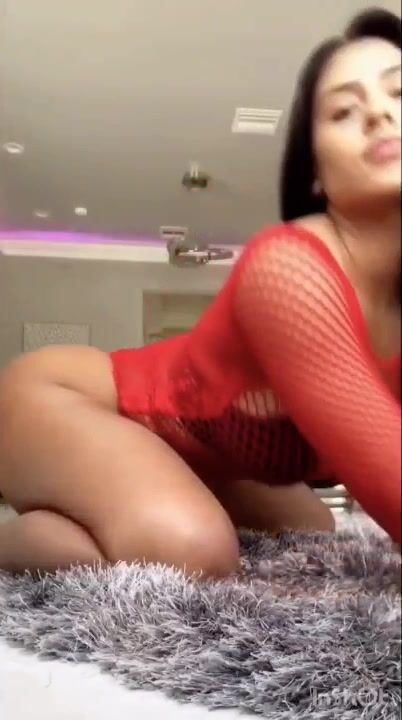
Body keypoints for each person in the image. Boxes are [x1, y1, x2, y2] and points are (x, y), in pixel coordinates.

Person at [0, 8, 400, 575]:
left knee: (313, 529)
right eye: (344, 110)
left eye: (399, 93)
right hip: (62, 397)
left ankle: (124, 505)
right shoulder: (290, 267)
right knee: (194, 553)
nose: (380, 114)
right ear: (315, 169)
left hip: (203, 459)